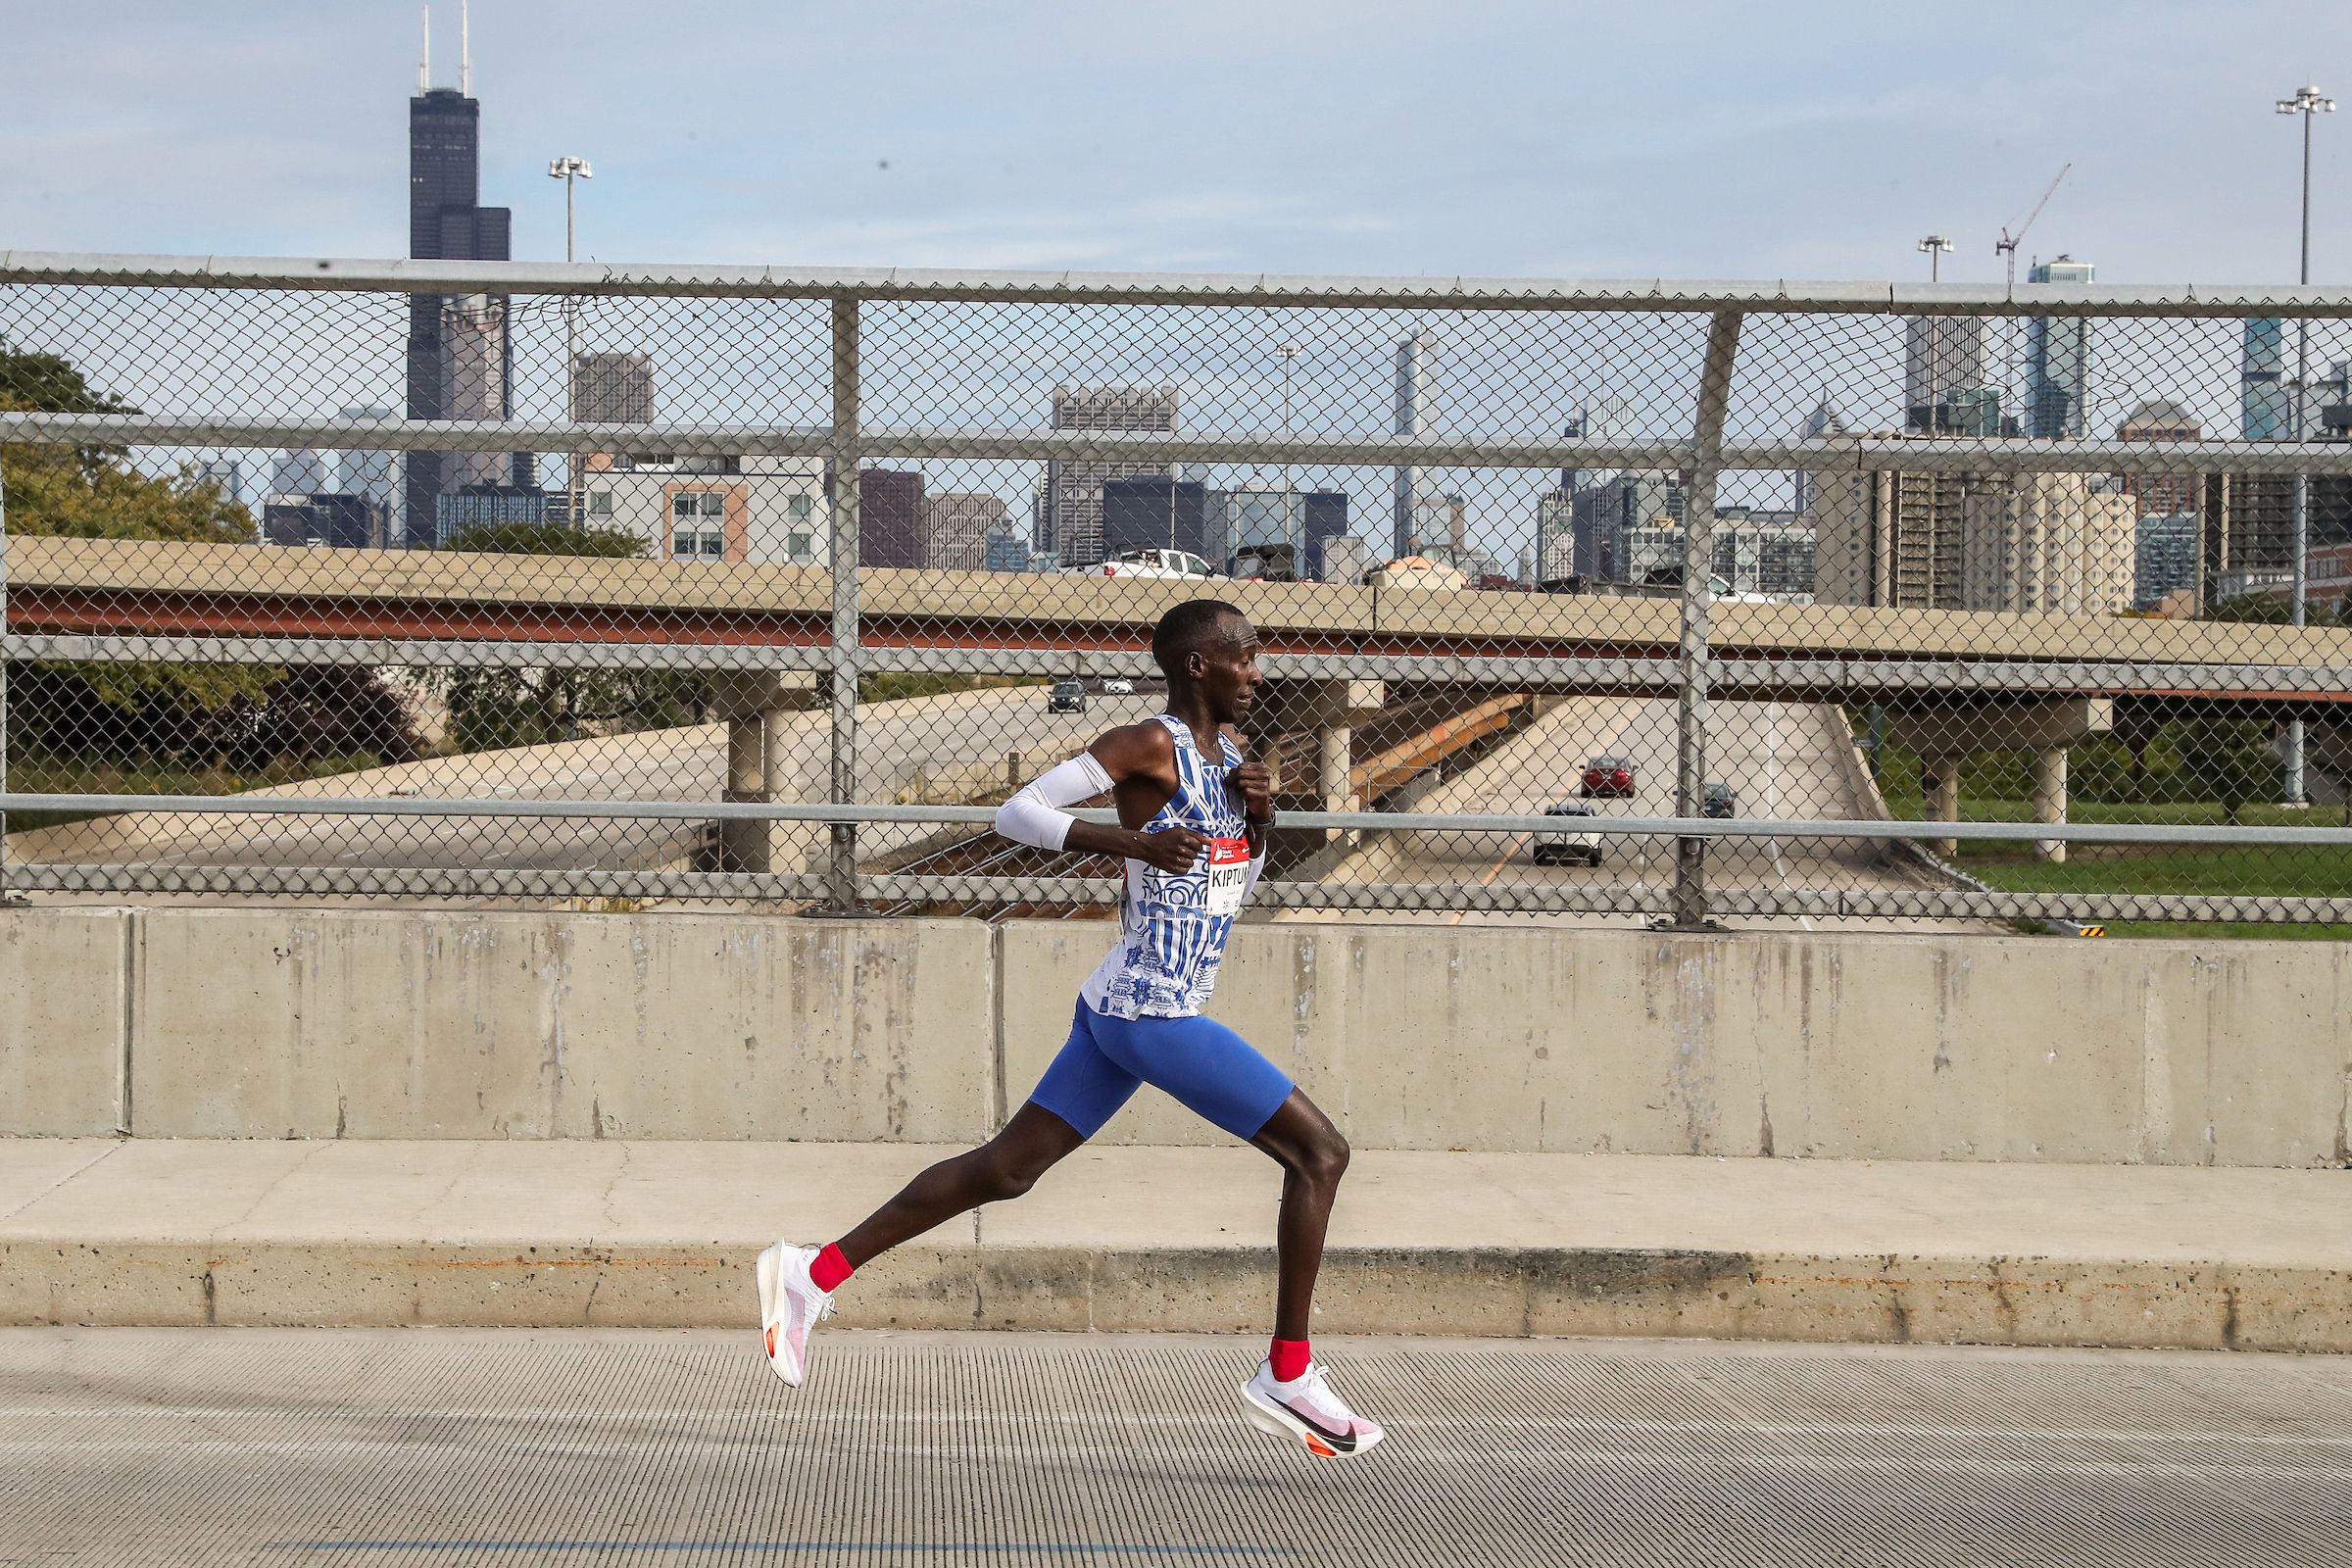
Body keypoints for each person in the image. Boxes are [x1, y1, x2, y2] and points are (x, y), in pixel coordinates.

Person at [756, 598, 1384, 1458]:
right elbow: (1016, 816)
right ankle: (1288, 1371)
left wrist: (1262, 817)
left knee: (1006, 1172)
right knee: (1321, 1154)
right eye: (1244, 655)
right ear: (1198, 665)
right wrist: (1128, 847)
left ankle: (811, 1273)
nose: (1258, 670)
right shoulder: (1147, 745)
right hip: (1151, 1013)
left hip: (1125, 1006)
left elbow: (1231, 880)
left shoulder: (1233, 757)